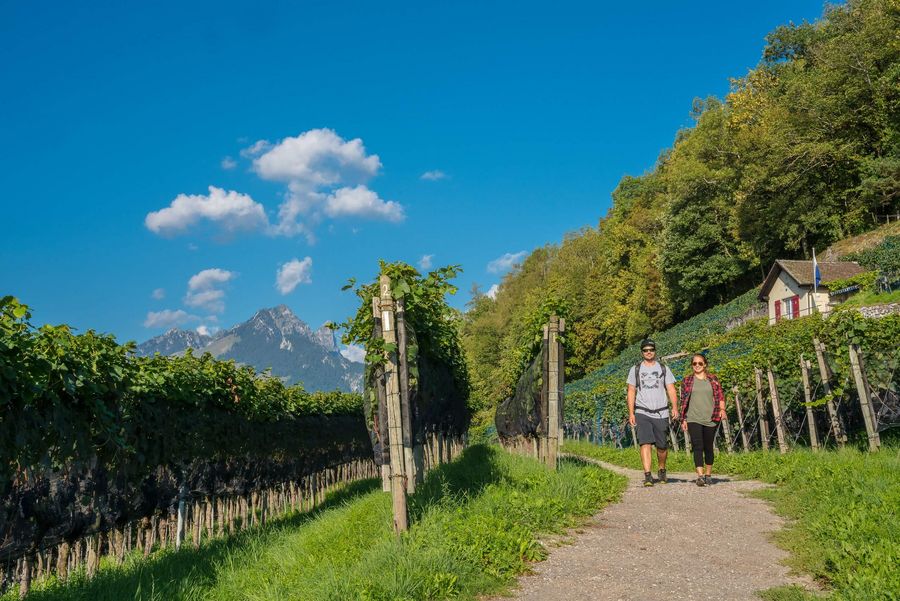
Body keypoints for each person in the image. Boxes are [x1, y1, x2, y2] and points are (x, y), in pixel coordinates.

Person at [627, 338, 678, 487]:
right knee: (645, 442)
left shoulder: (664, 368)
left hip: (661, 411)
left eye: (651, 350)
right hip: (642, 411)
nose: (648, 352)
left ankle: (661, 469)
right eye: (645, 350)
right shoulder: (635, 369)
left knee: (662, 446)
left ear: (655, 351)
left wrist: (674, 407)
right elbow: (631, 391)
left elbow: (671, 388)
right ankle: (648, 475)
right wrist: (631, 413)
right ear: (642, 352)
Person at [679, 353, 726, 486]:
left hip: (711, 417)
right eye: (694, 363)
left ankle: (708, 474)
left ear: (705, 364)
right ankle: (700, 476)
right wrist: (683, 419)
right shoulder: (687, 381)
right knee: (697, 446)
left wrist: (722, 410)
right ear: (692, 365)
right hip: (693, 418)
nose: (697, 366)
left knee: (708, 446)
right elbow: (683, 401)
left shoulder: (713, 379)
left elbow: (720, 396)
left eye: (700, 363)